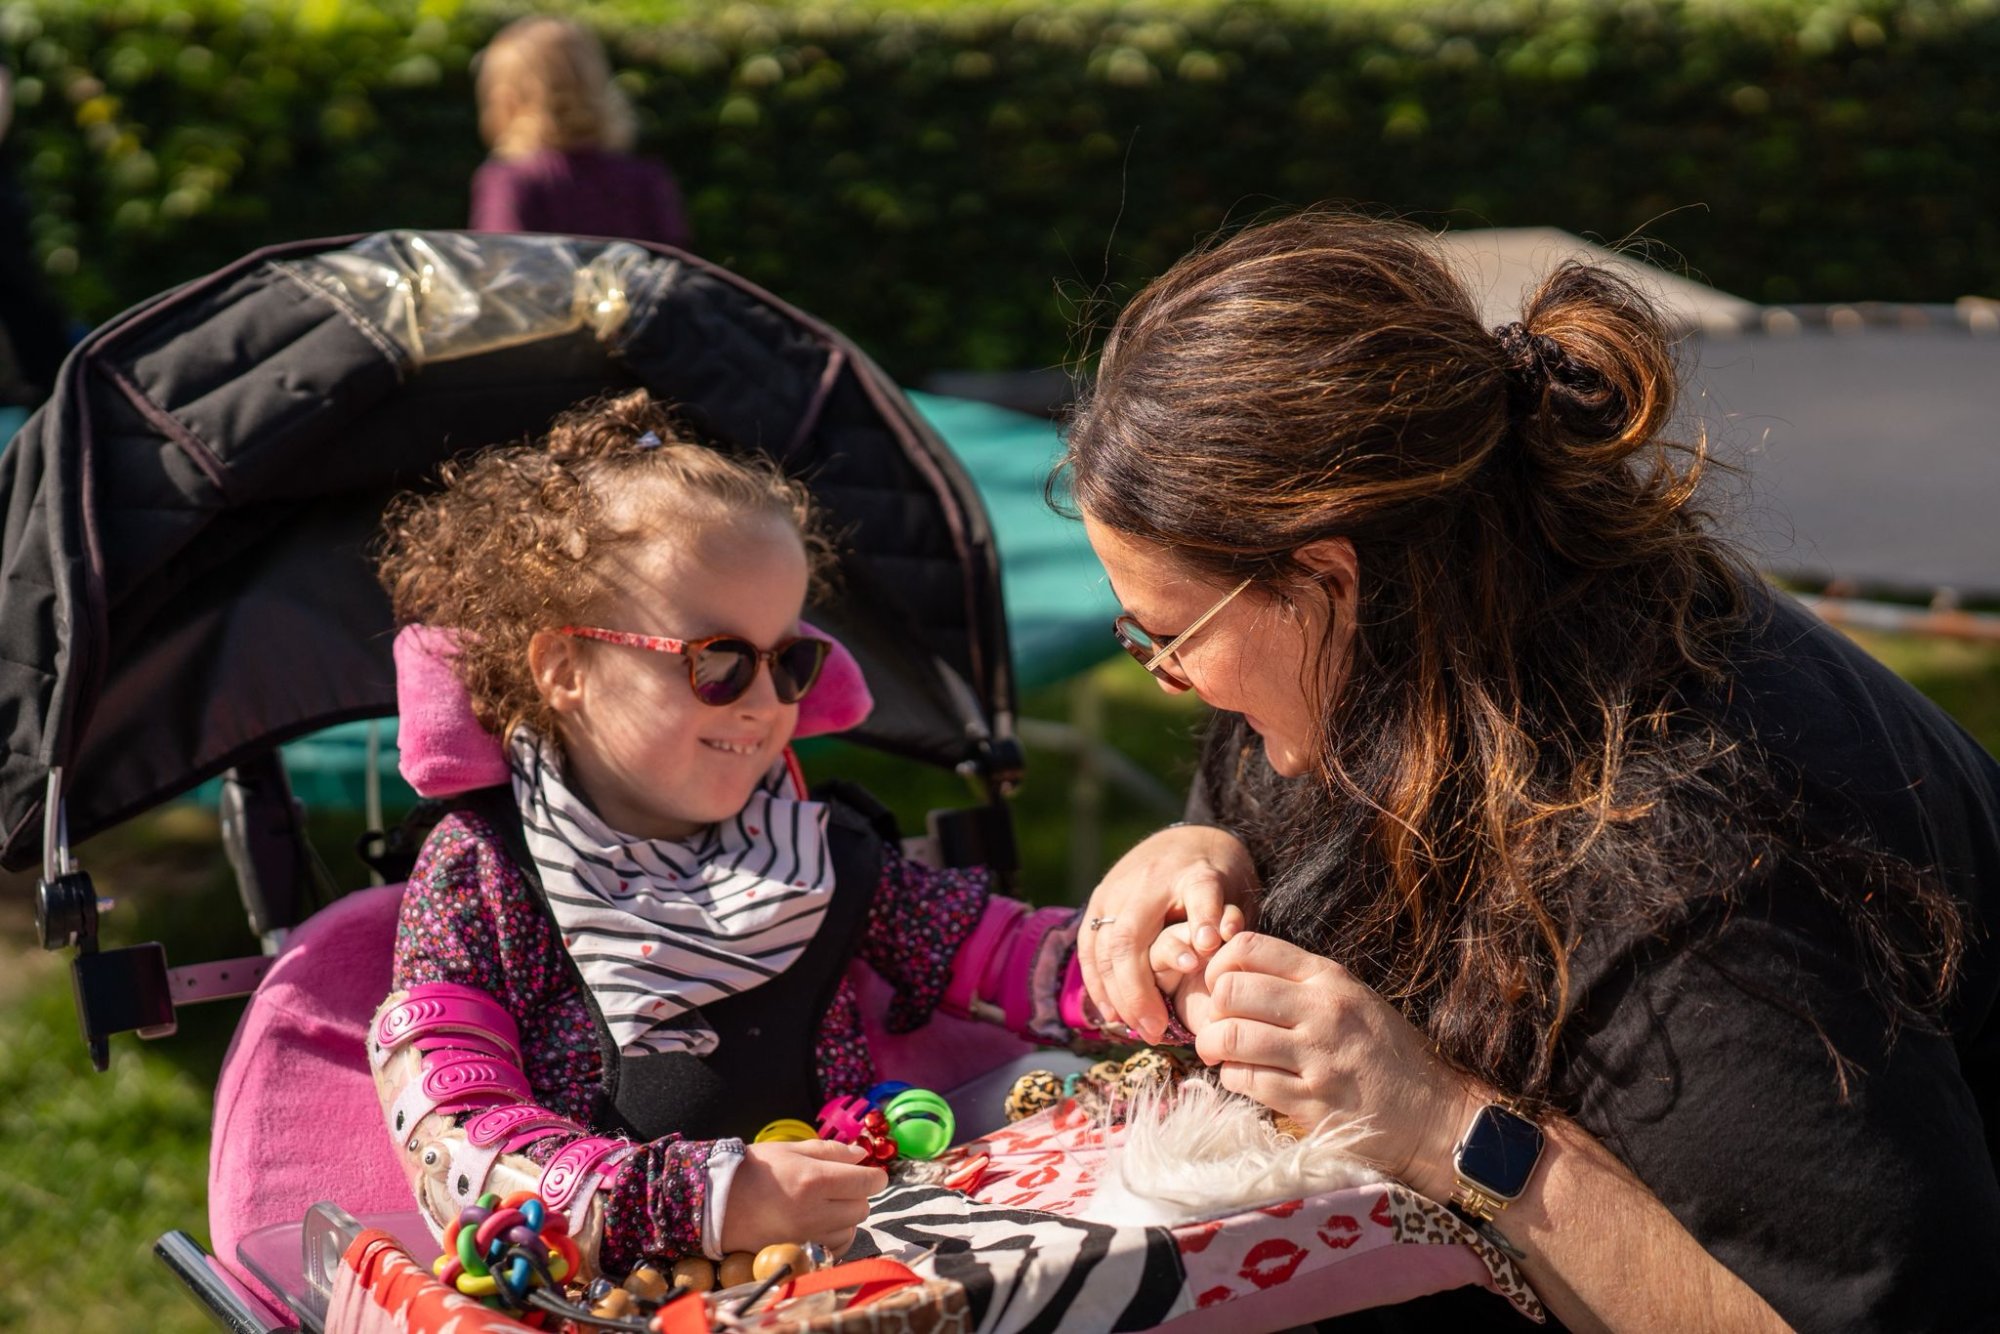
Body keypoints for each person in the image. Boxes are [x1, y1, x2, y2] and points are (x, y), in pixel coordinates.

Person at [1066, 212, 1999, 1330]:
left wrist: (1435, 1119)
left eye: (1164, 635)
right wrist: (1202, 849)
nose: (1165, 679)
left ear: (1323, 575)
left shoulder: (1692, 861)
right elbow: (1276, 787)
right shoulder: (1440, 635)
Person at [369, 390, 1108, 1276]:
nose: (764, 704)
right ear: (565, 667)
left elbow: (1001, 953)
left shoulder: (814, 846)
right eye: (716, 662)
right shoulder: (486, 873)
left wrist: (1142, 971)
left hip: (858, 1268)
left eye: (790, 660)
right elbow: (451, 1140)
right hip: (616, 1290)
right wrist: (709, 1198)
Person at [469, 17, 693, 249]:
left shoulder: (512, 181)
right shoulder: (647, 179)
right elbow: (673, 267)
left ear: (507, 99)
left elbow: (500, 265)